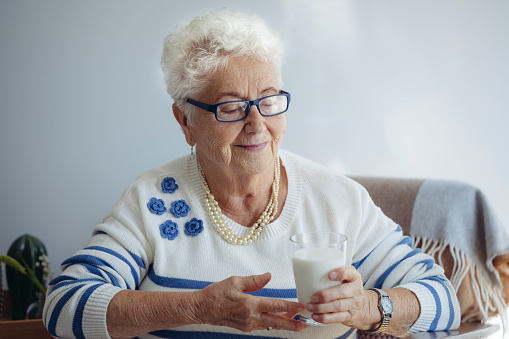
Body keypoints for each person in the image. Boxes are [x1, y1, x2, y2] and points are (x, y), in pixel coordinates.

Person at [43, 8, 460, 339]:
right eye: (230, 107)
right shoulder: (154, 199)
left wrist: (369, 307)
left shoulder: (336, 200)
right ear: (185, 121)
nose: (257, 124)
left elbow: (443, 300)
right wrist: (195, 308)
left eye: (269, 100)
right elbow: (63, 305)